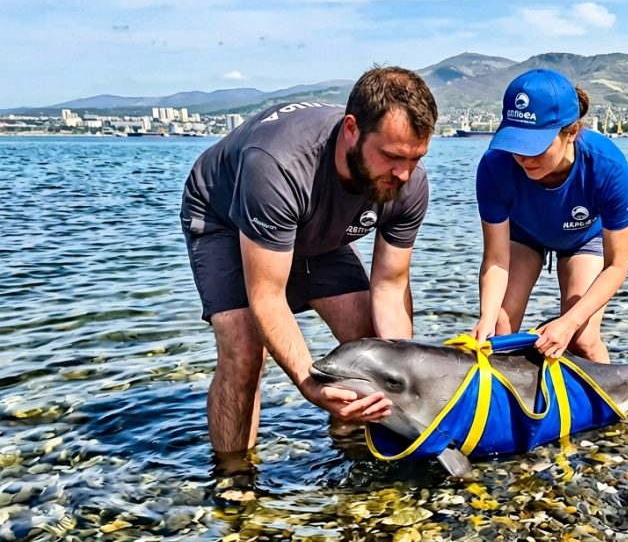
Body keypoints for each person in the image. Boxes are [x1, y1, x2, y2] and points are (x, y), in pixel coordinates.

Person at [179, 66, 437, 467]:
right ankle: (234, 477)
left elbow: (389, 284)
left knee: (367, 342)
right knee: (246, 351)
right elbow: (267, 296)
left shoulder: (408, 183)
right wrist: (307, 382)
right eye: (391, 156)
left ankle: (349, 440)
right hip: (226, 218)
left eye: (415, 158)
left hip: (316, 226)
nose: (403, 173)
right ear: (351, 129)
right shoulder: (277, 164)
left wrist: (402, 373)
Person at [471, 69, 628, 363]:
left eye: (535, 147)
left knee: (581, 340)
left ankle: (611, 406)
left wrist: (569, 323)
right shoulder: (494, 166)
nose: (522, 157)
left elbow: (616, 266)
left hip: (582, 239)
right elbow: (496, 258)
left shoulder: (607, 166)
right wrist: (486, 316)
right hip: (524, 237)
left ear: (571, 132)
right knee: (498, 332)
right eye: (514, 143)